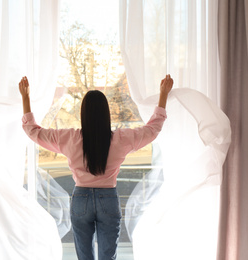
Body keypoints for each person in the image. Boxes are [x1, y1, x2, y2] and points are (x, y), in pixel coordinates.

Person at [19, 75, 173, 260]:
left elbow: (33, 131)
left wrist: (25, 98)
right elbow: (152, 129)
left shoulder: (69, 138)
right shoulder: (120, 139)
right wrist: (163, 95)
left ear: (83, 114)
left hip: (80, 200)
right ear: (106, 114)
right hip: (108, 199)